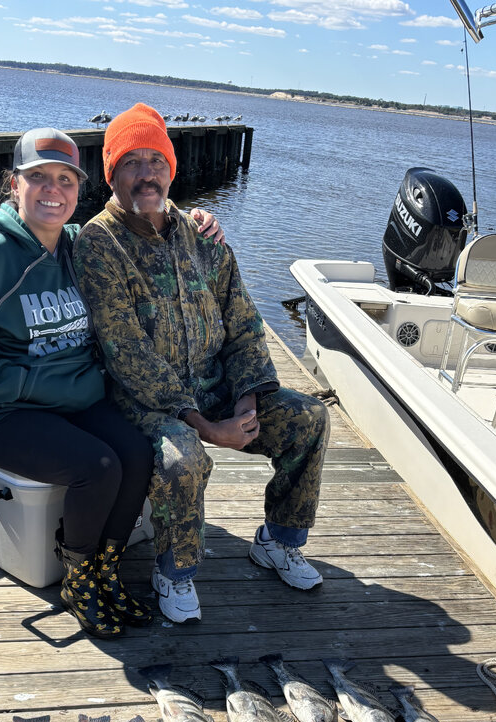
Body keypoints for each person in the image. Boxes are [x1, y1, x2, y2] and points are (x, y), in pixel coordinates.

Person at [0, 127, 220, 640]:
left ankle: (106, 568)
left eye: (65, 179)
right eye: (38, 177)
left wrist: (192, 220)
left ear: (80, 189)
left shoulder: (78, 245)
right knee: (96, 467)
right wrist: (28, 384)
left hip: (71, 403)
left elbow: (139, 223)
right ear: (14, 184)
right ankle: (78, 579)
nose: (52, 190)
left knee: (137, 452)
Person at [73, 103, 329, 624]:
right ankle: (176, 571)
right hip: (146, 403)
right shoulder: (98, 243)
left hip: (217, 390)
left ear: (171, 168)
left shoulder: (202, 235)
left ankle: (278, 542)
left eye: (156, 160)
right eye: (131, 162)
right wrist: (207, 427)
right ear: (111, 174)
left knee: (309, 418)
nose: (146, 173)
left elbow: (245, 325)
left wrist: (246, 403)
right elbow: (127, 354)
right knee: (182, 457)